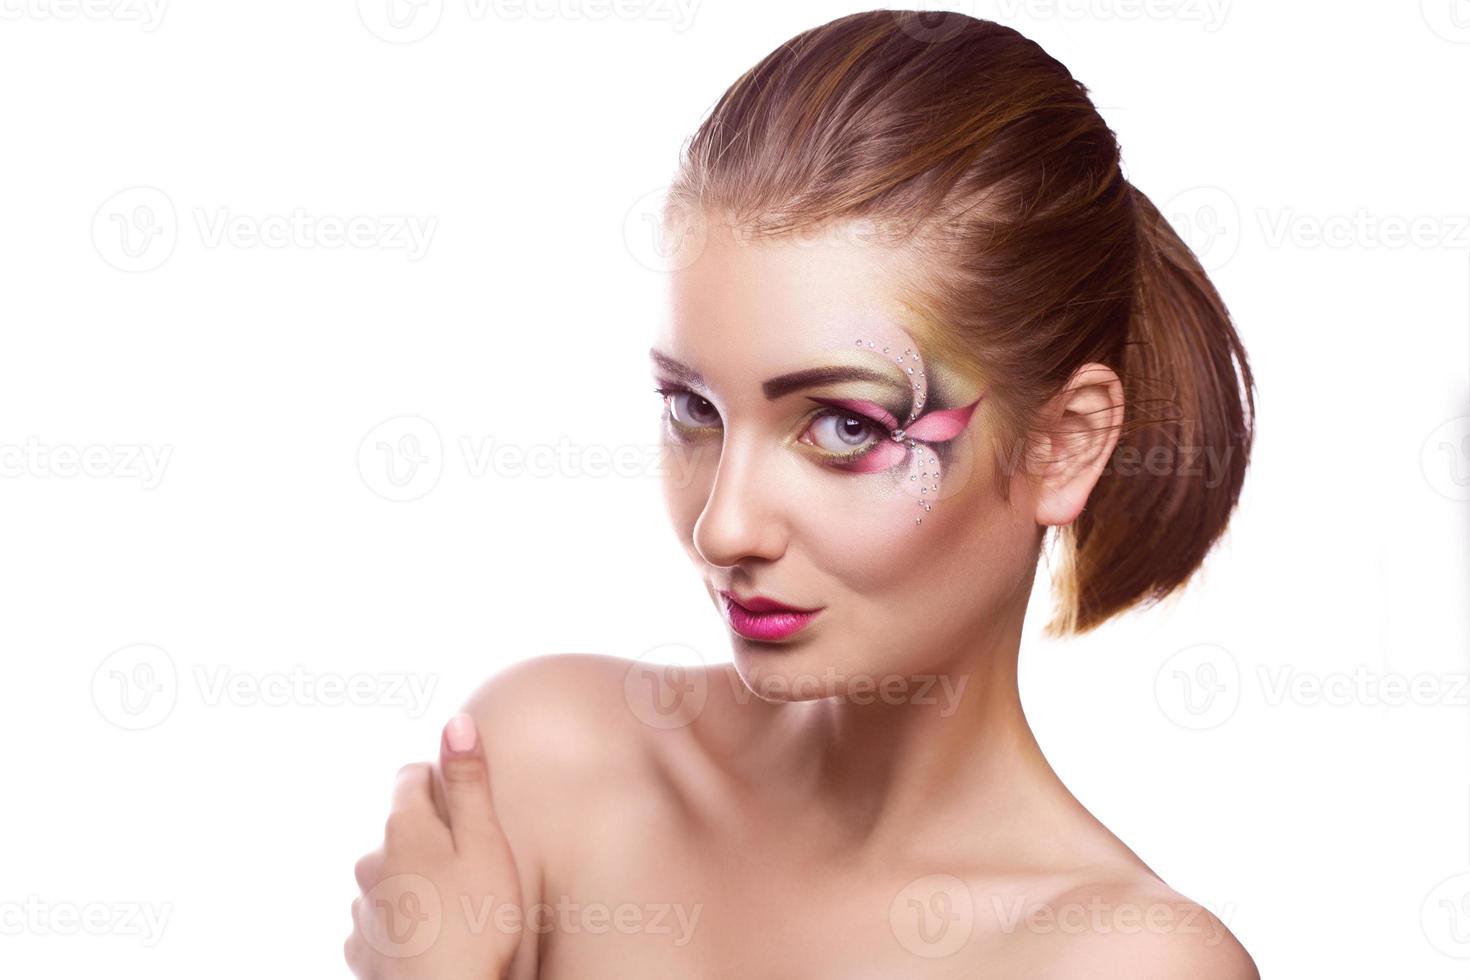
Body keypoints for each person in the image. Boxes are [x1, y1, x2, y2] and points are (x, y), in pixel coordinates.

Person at [346, 10, 1260, 978]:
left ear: (1063, 443)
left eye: (845, 426)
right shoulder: (551, 766)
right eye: (693, 406)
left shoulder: (1125, 960)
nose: (723, 524)